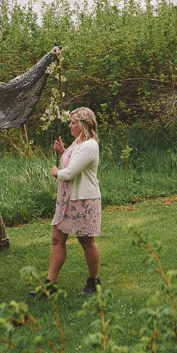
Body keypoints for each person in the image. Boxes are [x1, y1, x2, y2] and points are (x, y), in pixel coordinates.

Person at [47, 107, 102, 294]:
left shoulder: (90, 145)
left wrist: (56, 173)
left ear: (83, 124)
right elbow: (73, 161)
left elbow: (70, 173)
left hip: (83, 200)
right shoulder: (78, 142)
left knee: (86, 242)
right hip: (66, 199)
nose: (69, 126)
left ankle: (93, 281)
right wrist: (64, 151)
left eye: (73, 123)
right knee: (57, 239)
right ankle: (50, 284)